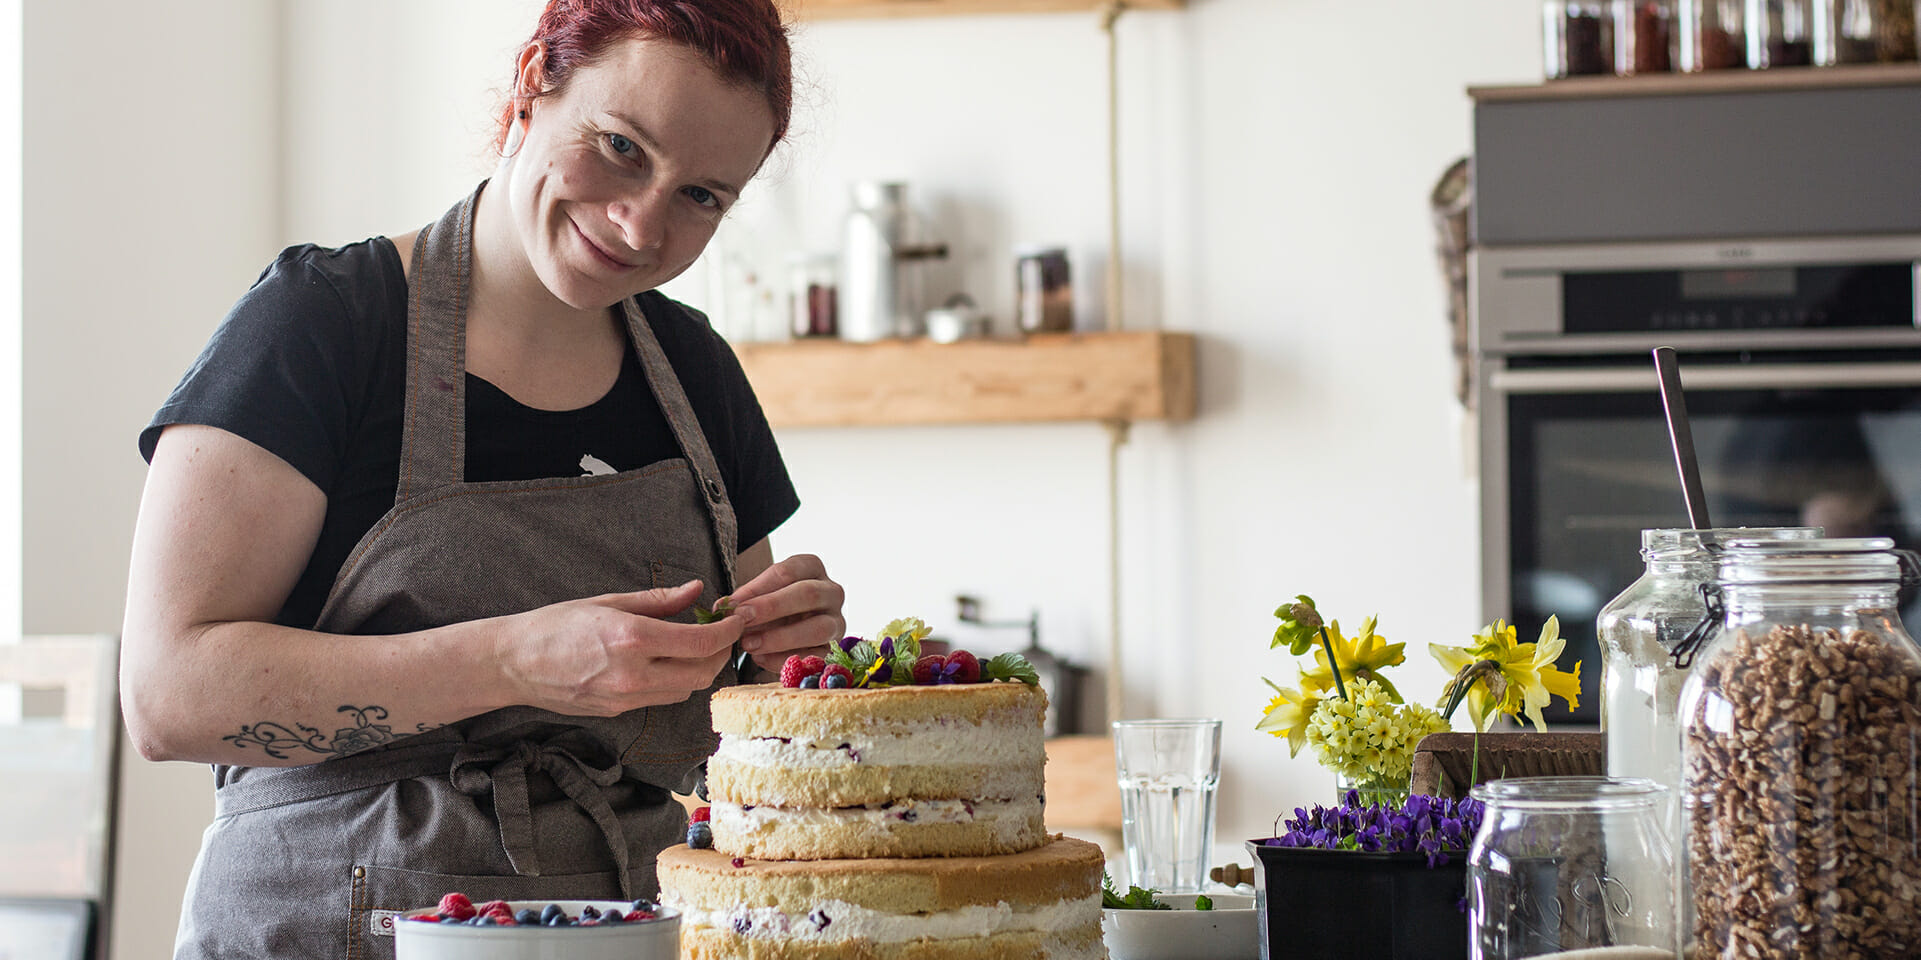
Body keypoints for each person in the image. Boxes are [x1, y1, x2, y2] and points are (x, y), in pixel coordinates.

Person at [118, 2, 842, 956]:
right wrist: (511, 660)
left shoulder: (695, 372)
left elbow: (733, 724)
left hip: (626, 931)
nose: (641, 222)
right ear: (536, 79)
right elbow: (168, 698)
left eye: (701, 196)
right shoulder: (327, 326)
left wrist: (782, 662)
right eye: (621, 146)